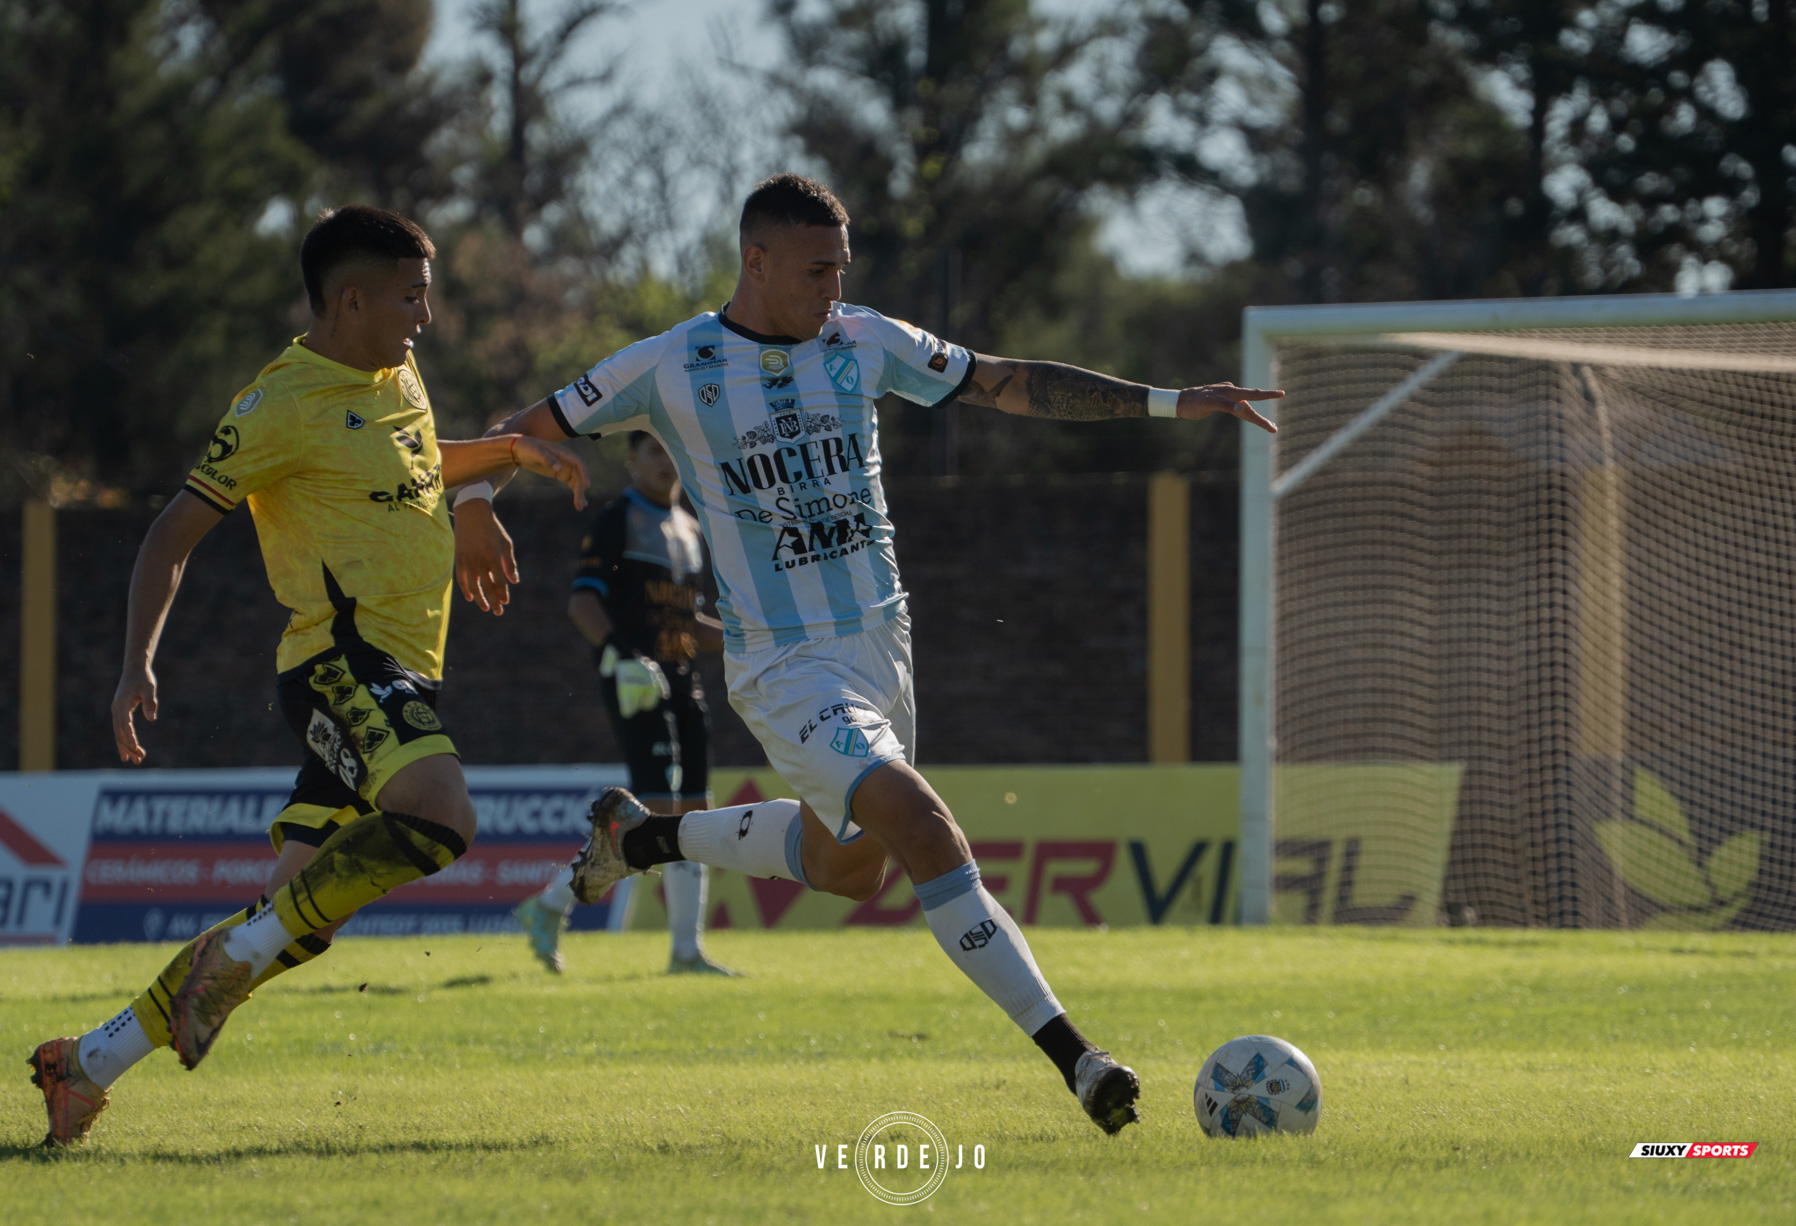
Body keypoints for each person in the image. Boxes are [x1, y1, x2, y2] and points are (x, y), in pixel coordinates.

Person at [453, 174, 1282, 1136]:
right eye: (815, 270)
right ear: (754, 262)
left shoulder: (864, 340)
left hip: (884, 642)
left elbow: (1005, 380)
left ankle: (639, 840)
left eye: (842, 269)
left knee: (853, 870)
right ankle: (1079, 1060)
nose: (832, 288)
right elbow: (517, 432)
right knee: (924, 824)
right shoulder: (672, 363)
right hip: (782, 664)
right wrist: (473, 507)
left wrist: (1174, 402)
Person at [27, 204, 590, 1148]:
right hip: (339, 665)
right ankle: (225, 966)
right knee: (444, 815)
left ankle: (84, 1064)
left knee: (290, 922)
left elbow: (410, 467)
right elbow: (172, 532)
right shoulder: (278, 403)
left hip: (401, 675)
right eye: (411, 297)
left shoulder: (396, 372)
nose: (425, 315)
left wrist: (503, 461)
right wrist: (135, 664)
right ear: (350, 300)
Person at [511, 430, 736, 975]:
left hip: (684, 681)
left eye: (672, 449)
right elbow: (582, 602)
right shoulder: (617, 519)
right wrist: (621, 656)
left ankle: (684, 950)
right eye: (654, 450)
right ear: (632, 459)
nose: (666, 460)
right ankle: (558, 907)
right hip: (636, 681)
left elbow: (689, 621)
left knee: (695, 816)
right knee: (656, 811)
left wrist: (749, 637)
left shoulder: (688, 527)